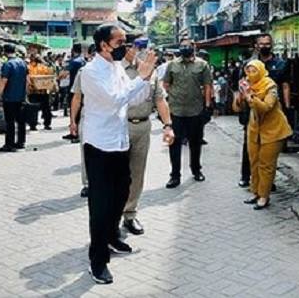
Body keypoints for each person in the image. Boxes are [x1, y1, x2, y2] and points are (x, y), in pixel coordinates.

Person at [78, 24, 157, 285]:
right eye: (120, 41)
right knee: (100, 205)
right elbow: (114, 99)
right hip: (99, 145)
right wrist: (140, 79)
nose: (126, 46)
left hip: (120, 142)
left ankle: (112, 236)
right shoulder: (90, 72)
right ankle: (97, 260)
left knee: (122, 192)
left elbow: (135, 99)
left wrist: (145, 78)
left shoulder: (117, 68)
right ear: (103, 44)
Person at [120, 36, 173, 235]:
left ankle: (130, 214)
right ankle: (112, 216)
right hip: (119, 127)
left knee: (137, 173)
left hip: (142, 126)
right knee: (117, 175)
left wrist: (168, 125)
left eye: (145, 47)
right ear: (127, 47)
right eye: (138, 47)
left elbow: (160, 100)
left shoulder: (151, 72)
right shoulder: (116, 70)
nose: (143, 51)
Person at [233, 60, 291, 210]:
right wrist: (240, 94)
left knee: (266, 165)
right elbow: (236, 108)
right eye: (248, 71)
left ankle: (264, 196)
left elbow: (265, 107)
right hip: (254, 129)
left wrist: (250, 96)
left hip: (273, 130)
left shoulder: (270, 85)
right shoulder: (247, 85)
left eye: (254, 71)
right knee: (254, 162)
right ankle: (256, 192)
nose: (251, 74)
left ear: (261, 71)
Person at [239, 34, 291, 188]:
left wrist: (287, 108)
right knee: (249, 145)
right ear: (256, 45)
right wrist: (241, 104)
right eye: (261, 44)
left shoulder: (281, 64)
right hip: (252, 109)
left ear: (272, 45)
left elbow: (285, 86)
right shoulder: (249, 64)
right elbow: (241, 86)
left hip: (272, 110)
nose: (264, 46)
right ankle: (246, 176)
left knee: (269, 149)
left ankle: (267, 182)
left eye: (267, 43)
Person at [163, 38, 213, 188]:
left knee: (195, 143)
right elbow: (166, 84)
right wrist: (173, 97)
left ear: (194, 47)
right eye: (182, 46)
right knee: (174, 143)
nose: (185, 48)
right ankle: (175, 175)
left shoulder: (202, 65)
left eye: (188, 46)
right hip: (176, 110)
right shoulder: (172, 65)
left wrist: (208, 106)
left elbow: (207, 86)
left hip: (195, 111)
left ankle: (196, 170)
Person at [0, 43, 28, 152]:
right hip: (21, 97)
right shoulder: (23, 63)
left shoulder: (7, 64)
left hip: (9, 97)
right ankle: (21, 142)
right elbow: (27, 80)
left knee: (10, 121)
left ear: (4, 52)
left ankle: (9, 144)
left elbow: (4, 81)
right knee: (21, 121)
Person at [61, 44, 86, 135]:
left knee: (74, 110)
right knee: (80, 110)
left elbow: (64, 74)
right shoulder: (84, 60)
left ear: (73, 50)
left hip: (74, 88)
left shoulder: (74, 61)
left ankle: (74, 132)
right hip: (84, 88)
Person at [69, 71, 88, 197]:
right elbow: (77, 97)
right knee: (86, 151)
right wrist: (73, 121)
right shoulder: (84, 72)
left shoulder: (117, 70)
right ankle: (87, 184)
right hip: (89, 117)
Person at [27, 53, 55, 131]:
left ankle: (33, 125)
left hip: (33, 91)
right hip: (43, 91)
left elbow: (28, 78)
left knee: (33, 109)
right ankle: (47, 124)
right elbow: (51, 77)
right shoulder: (45, 68)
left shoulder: (29, 67)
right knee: (46, 108)